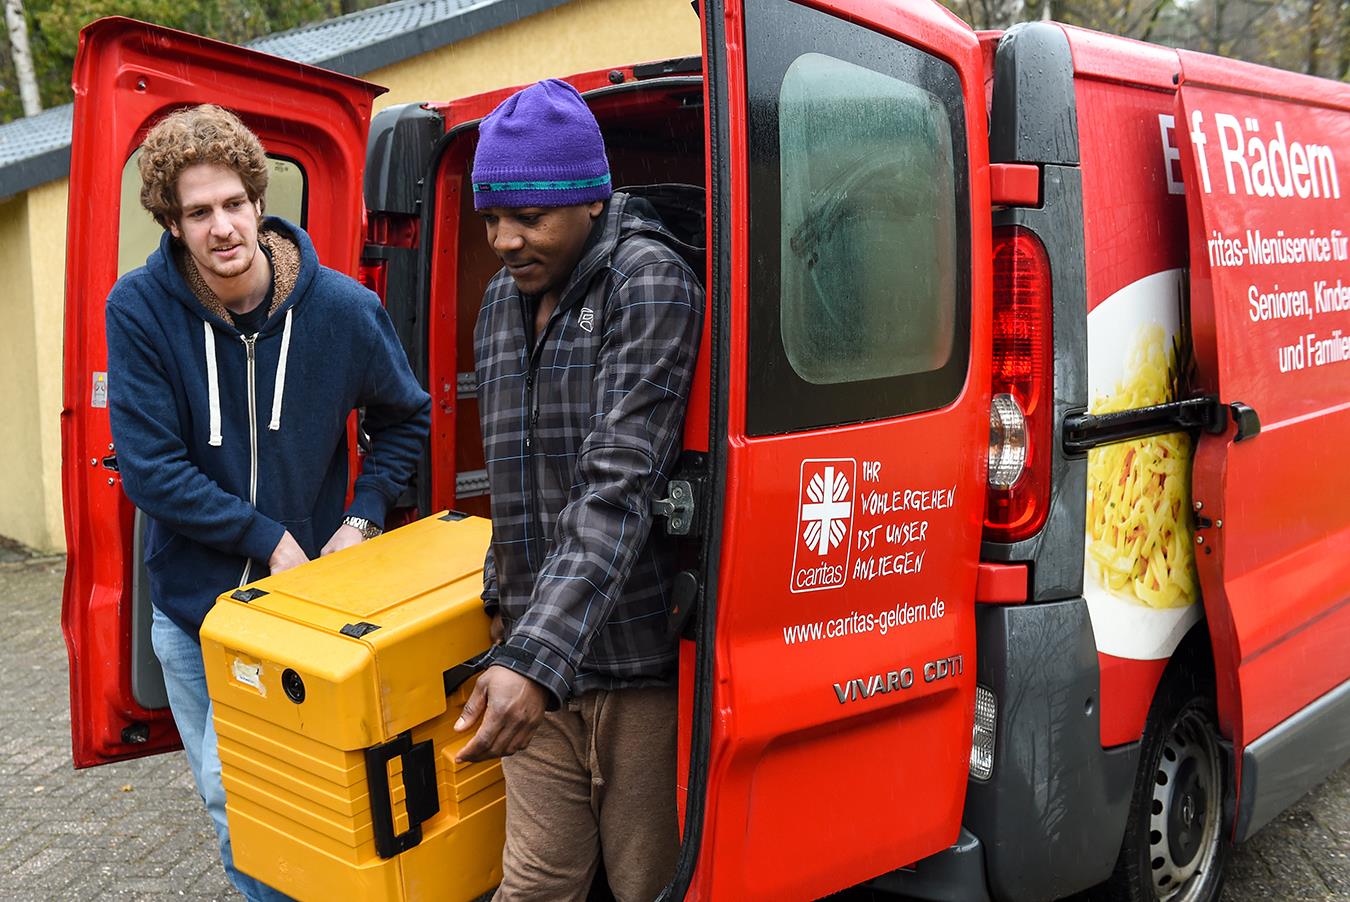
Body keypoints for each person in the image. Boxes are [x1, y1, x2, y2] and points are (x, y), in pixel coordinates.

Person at [105, 104, 431, 901]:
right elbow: (150, 468)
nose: (221, 227)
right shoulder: (139, 311)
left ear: (258, 200)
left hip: (310, 618)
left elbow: (406, 418)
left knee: (322, 807)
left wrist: (362, 517)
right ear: (172, 224)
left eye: (231, 204)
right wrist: (264, 535)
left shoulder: (344, 311)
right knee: (230, 799)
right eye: (197, 212)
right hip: (197, 609)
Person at [453, 78, 705, 902]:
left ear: (592, 199)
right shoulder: (500, 301)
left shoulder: (648, 281)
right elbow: (512, 481)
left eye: (529, 217)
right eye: (493, 218)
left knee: (644, 887)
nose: (505, 240)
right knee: (533, 886)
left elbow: (618, 485)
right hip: (532, 655)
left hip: (634, 664)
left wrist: (532, 658)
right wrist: (507, 618)